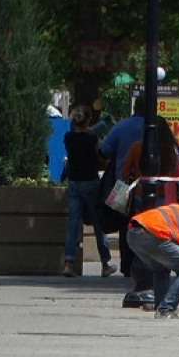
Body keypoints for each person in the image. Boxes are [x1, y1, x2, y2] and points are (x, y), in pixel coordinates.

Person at [62, 105, 117, 278]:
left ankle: (69, 264)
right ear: (88, 120)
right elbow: (100, 156)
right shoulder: (92, 139)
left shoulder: (68, 138)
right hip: (90, 183)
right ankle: (105, 263)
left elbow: (80, 136)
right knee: (98, 224)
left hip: (73, 184)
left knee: (73, 226)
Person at [99, 95, 145, 277]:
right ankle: (144, 265)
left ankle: (127, 266)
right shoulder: (157, 128)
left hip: (122, 185)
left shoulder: (120, 126)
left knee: (124, 225)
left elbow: (104, 150)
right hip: (151, 186)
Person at [120, 115, 179, 207]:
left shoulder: (136, 146)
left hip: (139, 192)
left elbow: (124, 172)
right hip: (164, 194)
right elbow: (178, 171)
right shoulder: (168, 149)